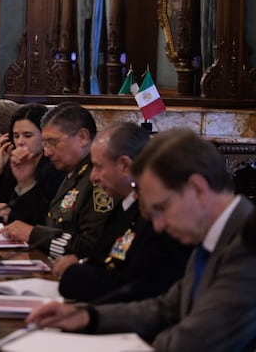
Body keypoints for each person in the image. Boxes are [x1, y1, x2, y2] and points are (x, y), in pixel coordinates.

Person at [27, 128, 256, 351]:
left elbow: (195, 340)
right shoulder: (212, 236)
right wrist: (88, 317)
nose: (158, 225)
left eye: (162, 208)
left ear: (197, 189)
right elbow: (164, 308)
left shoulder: (248, 243)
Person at [54, 122, 190, 303]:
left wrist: (74, 272)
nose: (93, 177)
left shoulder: (153, 216)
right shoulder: (125, 206)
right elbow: (102, 258)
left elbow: (135, 285)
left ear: (125, 166)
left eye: (99, 167)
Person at [0, 102, 113, 259]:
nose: (47, 152)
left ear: (82, 137)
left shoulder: (98, 179)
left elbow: (91, 246)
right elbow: (44, 223)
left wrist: (34, 234)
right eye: (45, 144)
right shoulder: (72, 173)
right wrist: (26, 183)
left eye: (52, 142)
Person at [0, 104, 65, 225]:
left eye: (27, 135)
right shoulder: (18, 163)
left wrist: (12, 215)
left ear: (44, 136)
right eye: (16, 136)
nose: (20, 142)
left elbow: (45, 217)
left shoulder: (53, 168)